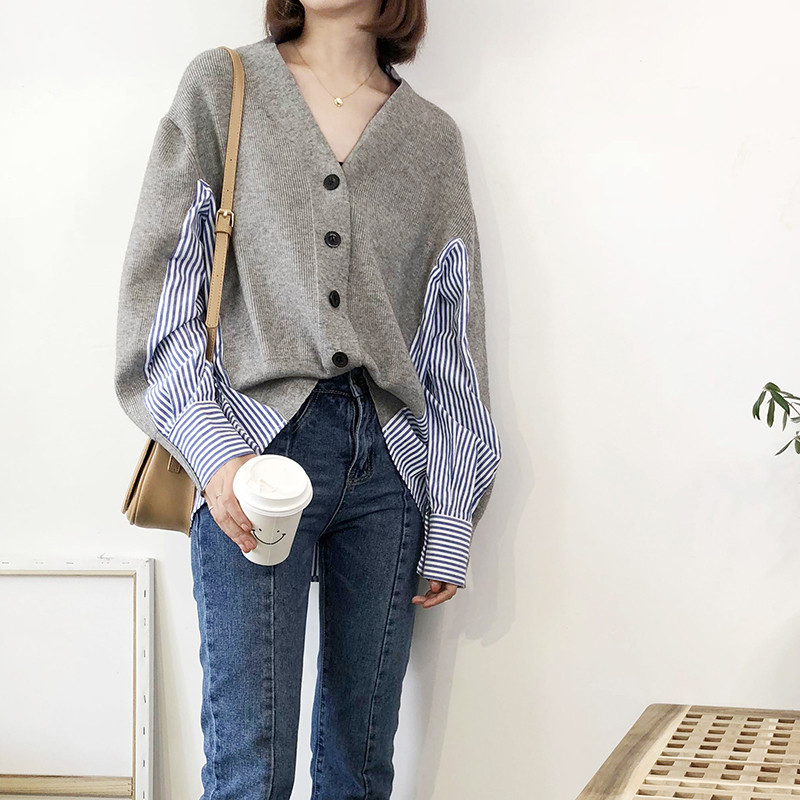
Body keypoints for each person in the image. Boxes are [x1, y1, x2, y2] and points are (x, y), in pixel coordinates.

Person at [114, 1, 502, 797]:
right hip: (253, 454)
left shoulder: (431, 140)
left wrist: (452, 514)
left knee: (360, 770)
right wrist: (216, 455)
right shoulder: (224, 87)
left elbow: (450, 337)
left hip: (391, 469)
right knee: (249, 770)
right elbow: (163, 300)